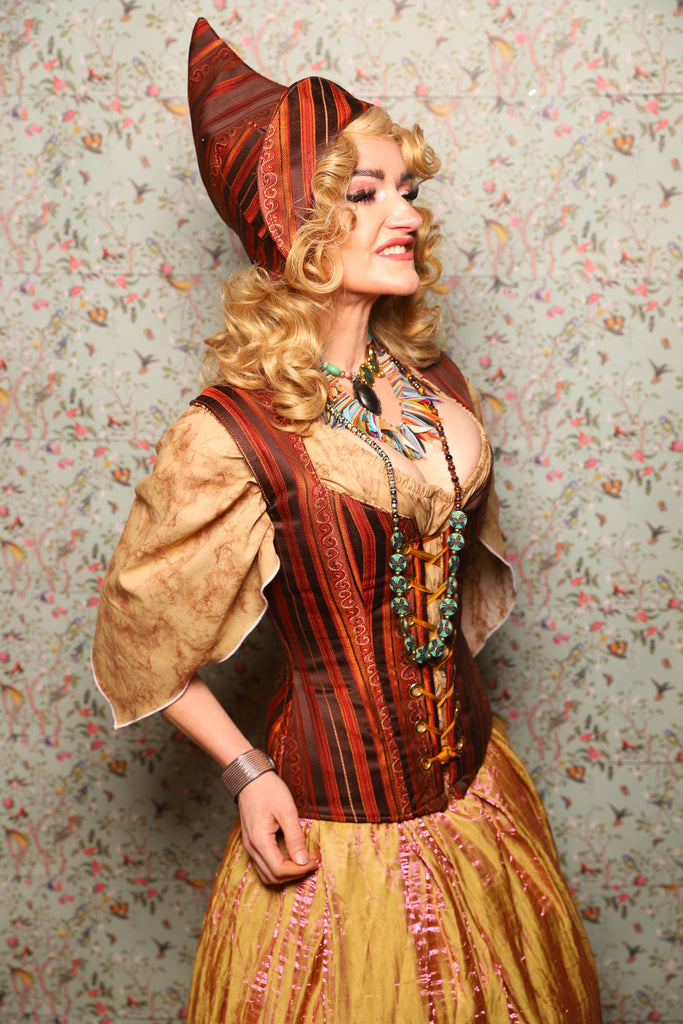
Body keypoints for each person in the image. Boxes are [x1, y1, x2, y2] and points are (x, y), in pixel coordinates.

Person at [92, 17, 602, 1023]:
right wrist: (246, 772)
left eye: (404, 189)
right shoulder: (229, 433)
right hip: (336, 828)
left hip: (474, 791)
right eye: (364, 194)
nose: (403, 213)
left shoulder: (433, 384)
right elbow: (137, 640)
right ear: (294, 223)